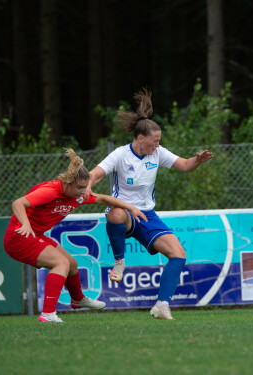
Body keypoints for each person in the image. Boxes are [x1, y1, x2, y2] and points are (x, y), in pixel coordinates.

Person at [86, 88, 213, 320]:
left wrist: (198, 160)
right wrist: (88, 185)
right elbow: (96, 173)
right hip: (125, 214)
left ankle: (162, 305)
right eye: (155, 141)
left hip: (147, 216)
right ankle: (119, 262)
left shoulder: (157, 153)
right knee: (114, 213)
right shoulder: (120, 155)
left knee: (178, 254)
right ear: (141, 138)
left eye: (159, 142)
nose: (157, 145)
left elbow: (184, 165)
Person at [4, 148, 147, 323]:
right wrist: (25, 223)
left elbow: (103, 199)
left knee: (71, 264)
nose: (83, 191)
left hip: (34, 235)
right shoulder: (51, 191)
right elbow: (18, 203)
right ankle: (47, 314)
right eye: (79, 187)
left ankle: (78, 299)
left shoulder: (78, 195)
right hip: (19, 236)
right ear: (66, 183)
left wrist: (131, 208)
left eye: (85, 187)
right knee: (61, 263)